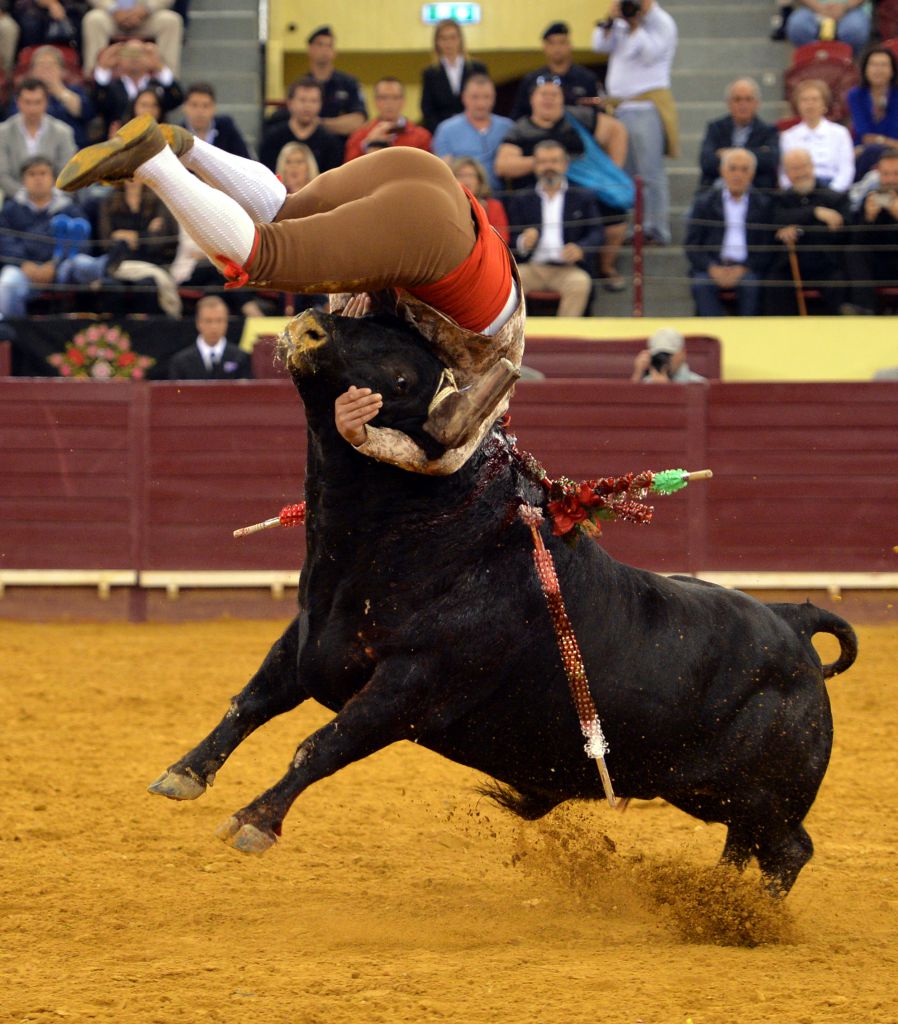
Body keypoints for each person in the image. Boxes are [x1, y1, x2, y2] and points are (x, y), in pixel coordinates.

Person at [57, 115, 524, 475]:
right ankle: (154, 161)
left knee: (285, 210)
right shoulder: (474, 404)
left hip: (423, 172)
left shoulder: (458, 328)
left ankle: (191, 148)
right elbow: (445, 450)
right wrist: (360, 437)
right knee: (262, 255)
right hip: (429, 238)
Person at [495, 76, 628, 288]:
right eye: (543, 95)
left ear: (562, 98)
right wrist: (545, 163)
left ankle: (607, 269)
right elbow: (502, 165)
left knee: (616, 217)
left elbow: (616, 130)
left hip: (583, 194)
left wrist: (612, 171)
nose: (548, 100)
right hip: (534, 197)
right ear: (532, 100)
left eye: (554, 95)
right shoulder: (520, 129)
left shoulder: (579, 117)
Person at [591, 0, 679, 246]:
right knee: (628, 173)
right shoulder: (622, 19)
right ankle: (636, 227)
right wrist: (611, 19)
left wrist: (634, 26)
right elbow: (598, 45)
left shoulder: (662, 23)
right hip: (621, 107)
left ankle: (657, 228)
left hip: (646, 107)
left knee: (650, 172)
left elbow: (649, 53)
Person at [0, 155, 127, 316]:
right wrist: (24, 264)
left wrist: (54, 264)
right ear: (23, 181)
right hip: (23, 270)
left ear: (53, 179)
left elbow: (81, 241)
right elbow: (5, 242)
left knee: (81, 262)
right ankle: (12, 333)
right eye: (32, 174)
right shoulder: (10, 210)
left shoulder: (70, 208)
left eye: (43, 173)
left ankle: (103, 266)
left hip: (61, 267)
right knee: (7, 283)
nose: (38, 179)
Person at [506, 140, 602, 317]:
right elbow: (511, 237)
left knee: (580, 282)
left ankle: (565, 340)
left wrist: (581, 248)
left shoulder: (583, 196)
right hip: (532, 267)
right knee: (509, 285)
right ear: (535, 166)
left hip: (568, 268)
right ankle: (518, 340)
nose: (548, 167)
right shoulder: (522, 199)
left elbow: (596, 232)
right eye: (543, 162)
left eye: (554, 161)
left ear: (565, 165)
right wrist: (523, 241)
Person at [685, 148, 773, 316]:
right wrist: (712, 269)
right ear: (722, 171)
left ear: (752, 174)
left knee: (752, 284)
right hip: (712, 267)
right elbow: (692, 245)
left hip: (748, 268)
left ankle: (748, 336)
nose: (738, 175)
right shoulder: (704, 203)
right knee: (702, 284)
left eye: (744, 169)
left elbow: (767, 246)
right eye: (732, 168)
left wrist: (744, 268)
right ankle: (713, 334)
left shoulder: (763, 204)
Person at [768, 147, 848, 315]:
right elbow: (777, 220)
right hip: (789, 267)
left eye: (803, 166)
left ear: (812, 167)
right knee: (774, 284)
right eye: (794, 169)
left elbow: (839, 229)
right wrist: (815, 212)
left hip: (827, 265)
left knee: (838, 285)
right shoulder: (780, 199)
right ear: (787, 173)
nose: (800, 173)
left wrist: (798, 229)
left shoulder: (834, 198)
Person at [431, 74, 513, 194]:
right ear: (464, 97)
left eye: (487, 97)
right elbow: (442, 171)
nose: (481, 103)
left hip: (499, 198)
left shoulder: (508, 127)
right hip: (461, 197)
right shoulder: (446, 130)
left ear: (494, 98)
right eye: (475, 97)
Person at [511, 21, 603, 121]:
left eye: (562, 42)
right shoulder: (532, 80)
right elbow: (519, 116)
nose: (557, 48)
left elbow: (599, 114)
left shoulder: (587, 78)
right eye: (552, 43)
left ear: (570, 45)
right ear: (544, 47)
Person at [699, 78, 780, 191]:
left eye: (748, 99)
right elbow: (706, 162)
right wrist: (756, 153)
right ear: (728, 103)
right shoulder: (715, 128)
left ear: (757, 103)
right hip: (718, 192)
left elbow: (770, 161)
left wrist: (727, 154)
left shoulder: (768, 131)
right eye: (737, 99)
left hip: (756, 193)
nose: (743, 104)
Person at [0, 78, 75, 199]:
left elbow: (68, 174)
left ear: (46, 102)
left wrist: (50, 197)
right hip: (15, 200)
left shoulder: (63, 132)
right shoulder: (3, 132)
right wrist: (24, 196)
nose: (33, 109)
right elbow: (2, 174)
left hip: (56, 199)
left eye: (37, 102)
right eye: (27, 102)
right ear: (18, 102)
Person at [843, 147, 898, 312]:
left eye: (896, 174)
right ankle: (865, 308)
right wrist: (868, 218)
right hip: (879, 264)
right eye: (886, 174)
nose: (890, 179)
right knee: (853, 251)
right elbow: (856, 240)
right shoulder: (871, 197)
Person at [91, 39, 184, 135]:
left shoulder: (158, 85)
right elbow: (97, 104)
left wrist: (160, 67)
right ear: (119, 58)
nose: (134, 58)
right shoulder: (111, 87)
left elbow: (176, 99)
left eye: (139, 53)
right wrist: (103, 68)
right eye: (128, 53)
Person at [780, 79, 854, 191]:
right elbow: (784, 173)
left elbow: (846, 170)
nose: (810, 104)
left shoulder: (840, 133)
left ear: (824, 104)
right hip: (799, 191)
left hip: (833, 191)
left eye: (815, 99)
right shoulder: (788, 136)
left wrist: (833, 193)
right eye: (804, 100)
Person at [258, 77, 343, 174]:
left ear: (321, 104)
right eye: (303, 100)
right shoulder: (272, 138)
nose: (308, 106)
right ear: (290, 103)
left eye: (313, 101)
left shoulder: (331, 143)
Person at [420, 18, 487, 134]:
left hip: (474, 130)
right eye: (443, 38)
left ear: (460, 39)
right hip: (442, 132)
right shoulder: (430, 73)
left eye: (452, 37)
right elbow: (427, 108)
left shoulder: (477, 68)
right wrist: (440, 132)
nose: (448, 43)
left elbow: (485, 100)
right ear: (437, 42)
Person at [82, 0, 183, 74]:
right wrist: (113, 9)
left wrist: (146, 9)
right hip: (111, 16)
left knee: (171, 21)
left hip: (146, 15)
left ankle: (169, 77)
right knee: (93, 19)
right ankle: (92, 77)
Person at [344, 77, 432, 162]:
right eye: (383, 98)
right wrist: (367, 144)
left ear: (403, 101)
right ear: (375, 101)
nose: (389, 103)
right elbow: (349, 171)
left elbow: (428, 170)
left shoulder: (421, 136)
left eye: (395, 97)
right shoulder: (359, 136)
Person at [23, 44, 94, 148]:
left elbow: (85, 111)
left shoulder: (75, 91)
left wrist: (59, 91)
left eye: (51, 65)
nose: (46, 69)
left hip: (72, 151)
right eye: (41, 64)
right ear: (32, 72)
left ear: (62, 71)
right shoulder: (24, 94)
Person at [302, 25, 366, 137]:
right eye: (320, 44)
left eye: (329, 46)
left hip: (342, 149)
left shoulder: (349, 83)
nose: (325, 50)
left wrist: (320, 123)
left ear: (335, 52)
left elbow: (358, 121)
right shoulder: (301, 85)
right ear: (310, 49)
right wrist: (340, 123)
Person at [168, 295, 252, 379]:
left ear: (227, 322)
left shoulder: (241, 358)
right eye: (208, 321)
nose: (214, 327)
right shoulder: (181, 361)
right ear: (198, 323)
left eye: (219, 320)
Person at [847, 48, 898, 180]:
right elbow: (865, 135)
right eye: (874, 64)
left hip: (894, 155)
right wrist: (886, 141)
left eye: (883, 65)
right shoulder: (856, 95)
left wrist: (880, 141)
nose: (878, 70)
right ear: (865, 69)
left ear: (892, 70)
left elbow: (893, 129)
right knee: (870, 151)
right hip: (864, 153)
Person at [178, 82, 251, 159]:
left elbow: (244, 160)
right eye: (194, 105)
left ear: (214, 108)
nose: (200, 111)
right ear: (184, 107)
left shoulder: (226, 129)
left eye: (205, 106)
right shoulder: (178, 136)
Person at [451, 156, 508, 243]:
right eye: (460, 175)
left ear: (479, 181)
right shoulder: (448, 207)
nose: (466, 180)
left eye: (470, 175)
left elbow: (503, 239)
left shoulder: (494, 206)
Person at [785, 0, 871, 57]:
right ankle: (809, 59)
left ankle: (846, 62)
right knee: (798, 25)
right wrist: (819, 8)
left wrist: (844, 7)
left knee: (854, 29)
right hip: (813, 8)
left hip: (851, 9)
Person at [630, 327, 707, 382]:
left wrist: (666, 389)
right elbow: (628, 402)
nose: (664, 360)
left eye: (668, 354)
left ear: (683, 353)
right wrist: (638, 374)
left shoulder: (699, 384)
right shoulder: (646, 383)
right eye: (659, 354)